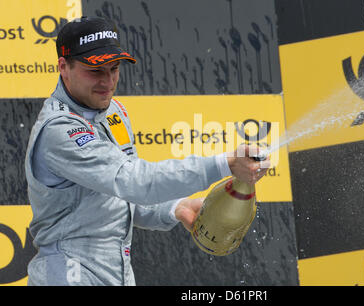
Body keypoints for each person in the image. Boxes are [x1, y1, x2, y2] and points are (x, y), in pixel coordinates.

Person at [25, 16, 269, 286]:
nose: (107, 81)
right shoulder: (58, 129)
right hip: (68, 274)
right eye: (95, 71)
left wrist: (176, 208)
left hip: (116, 273)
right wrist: (225, 163)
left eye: (114, 69)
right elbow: (132, 181)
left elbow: (122, 197)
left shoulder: (114, 112)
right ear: (63, 67)